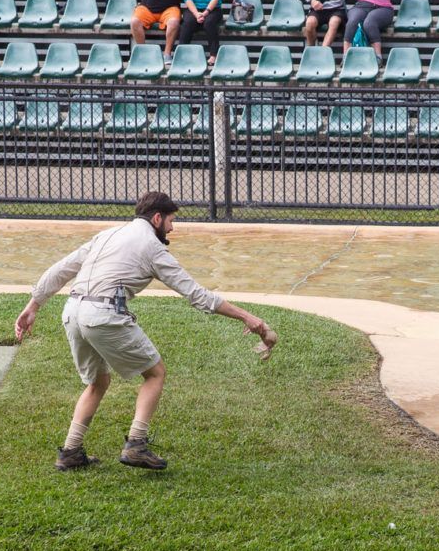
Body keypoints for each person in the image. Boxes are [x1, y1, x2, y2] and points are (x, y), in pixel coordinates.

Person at [14, 192, 277, 472]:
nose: (172, 228)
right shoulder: (152, 247)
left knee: (98, 382)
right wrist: (249, 318)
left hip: (72, 312)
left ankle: (70, 452)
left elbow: (61, 269)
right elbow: (197, 295)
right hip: (103, 315)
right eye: (171, 221)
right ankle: (136, 445)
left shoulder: (107, 234)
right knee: (155, 373)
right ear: (157, 218)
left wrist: (34, 306)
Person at [342, 0, 395, 66]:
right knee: (352, 21)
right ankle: (345, 56)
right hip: (363, 4)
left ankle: (377, 56)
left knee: (369, 22)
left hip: (383, 7)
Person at [131, 0, 185, 65]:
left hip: (169, 8)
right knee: (134, 22)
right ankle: (143, 53)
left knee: (174, 22)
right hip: (147, 8)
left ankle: (167, 54)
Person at [179, 0, 223, 65]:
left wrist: (205, 12)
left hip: (213, 9)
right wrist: (196, 14)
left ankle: (213, 55)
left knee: (209, 22)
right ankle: (182, 54)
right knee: (188, 22)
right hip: (194, 8)